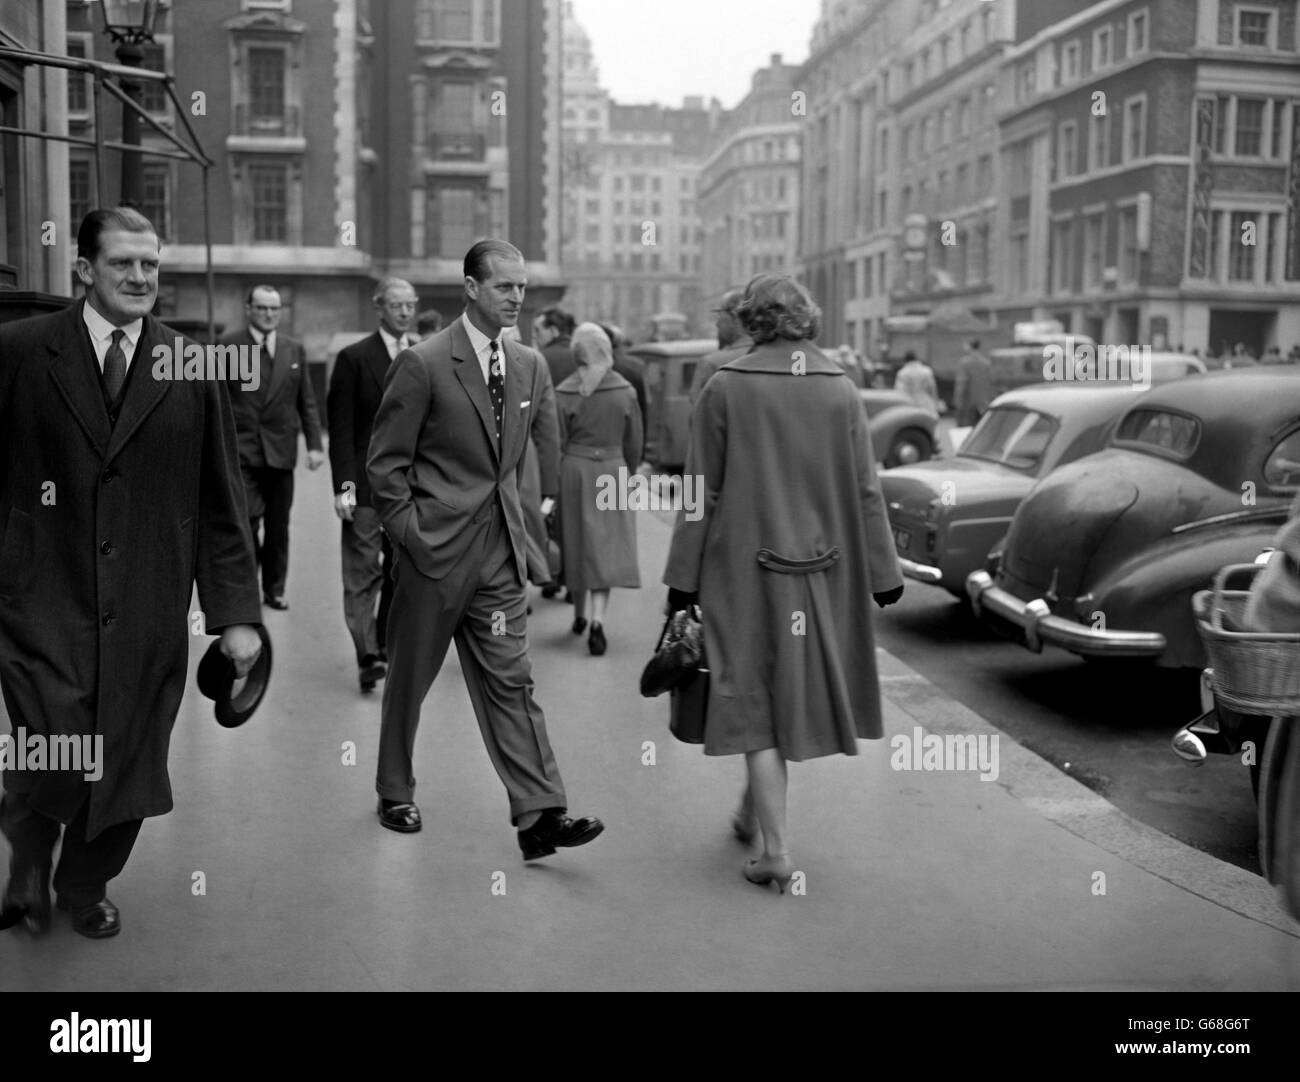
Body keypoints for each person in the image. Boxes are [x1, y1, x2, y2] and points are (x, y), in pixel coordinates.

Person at [0, 207, 262, 939]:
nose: (142, 277)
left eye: (151, 264)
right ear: (83, 270)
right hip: (39, 599)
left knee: (127, 758)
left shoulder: (191, 364)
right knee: (50, 747)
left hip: (149, 602)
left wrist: (236, 615)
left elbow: (221, 498)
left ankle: (83, 885)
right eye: (124, 264)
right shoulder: (20, 352)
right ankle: (27, 861)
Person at [662, 274, 904, 893]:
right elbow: (865, 488)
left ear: (751, 320)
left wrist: (681, 581)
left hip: (741, 571)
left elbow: (700, 494)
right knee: (786, 695)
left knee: (752, 701)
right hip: (824, 573)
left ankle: (776, 851)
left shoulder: (725, 388)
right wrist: (884, 574)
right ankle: (756, 814)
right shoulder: (841, 389)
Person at [366, 238, 604, 858]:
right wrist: (413, 538)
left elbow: (517, 461)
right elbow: (385, 467)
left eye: (522, 287)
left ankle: (540, 815)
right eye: (504, 287)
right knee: (410, 677)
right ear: (471, 288)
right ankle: (395, 788)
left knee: (512, 680)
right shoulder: (422, 363)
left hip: (500, 554)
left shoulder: (529, 364)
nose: (517, 298)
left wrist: (530, 528)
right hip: (433, 555)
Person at [327, 278, 418, 692]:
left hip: (411, 488)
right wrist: (343, 487)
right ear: (379, 308)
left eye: (409, 305)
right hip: (364, 487)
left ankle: (384, 643)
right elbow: (341, 429)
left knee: (404, 572)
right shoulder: (354, 358)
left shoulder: (425, 356)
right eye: (396, 305)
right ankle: (367, 654)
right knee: (362, 573)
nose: (404, 312)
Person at [219, 284, 324, 610]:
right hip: (243, 453)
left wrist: (315, 445)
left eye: (274, 309)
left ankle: (274, 588)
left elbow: (305, 400)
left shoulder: (294, 350)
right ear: (248, 309)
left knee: (278, 527)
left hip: (281, 452)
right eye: (262, 308)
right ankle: (248, 589)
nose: (268, 314)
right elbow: (217, 402)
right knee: (247, 523)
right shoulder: (227, 346)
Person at [554, 323, 644, 656]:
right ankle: (597, 621)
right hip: (612, 470)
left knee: (576, 543)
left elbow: (557, 442)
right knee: (604, 547)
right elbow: (634, 442)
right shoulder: (625, 391)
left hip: (574, 471)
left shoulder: (564, 391)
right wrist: (629, 474)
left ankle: (577, 615)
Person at [688, 288, 754, 405]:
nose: (717, 324)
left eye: (720, 315)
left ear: (735, 318)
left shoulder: (710, 364)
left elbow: (699, 416)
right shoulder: (779, 359)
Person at [533, 306, 577, 388]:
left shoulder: (540, 358)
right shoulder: (579, 354)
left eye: (537, 330)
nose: (534, 336)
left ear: (553, 331)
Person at [953, 338, 994, 427]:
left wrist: (958, 401)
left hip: (968, 404)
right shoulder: (986, 363)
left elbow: (961, 384)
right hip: (983, 403)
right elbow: (990, 383)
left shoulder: (964, 363)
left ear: (969, 346)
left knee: (966, 431)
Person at [894, 350, 942, 417]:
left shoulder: (902, 373)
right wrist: (936, 404)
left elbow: (899, 392)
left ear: (905, 360)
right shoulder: (927, 371)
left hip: (909, 405)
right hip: (926, 405)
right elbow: (932, 389)